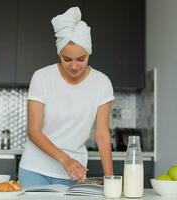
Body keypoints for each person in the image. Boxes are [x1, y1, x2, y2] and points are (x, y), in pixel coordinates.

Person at [18, 7, 114, 189]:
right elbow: (34, 131)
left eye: (81, 59)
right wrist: (65, 159)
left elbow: (102, 135)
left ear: (89, 53)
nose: (75, 66)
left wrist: (110, 180)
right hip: (34, 170)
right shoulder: (42, 77)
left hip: (72, 173)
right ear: (59, 54)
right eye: (67, 59)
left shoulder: (102, 83)